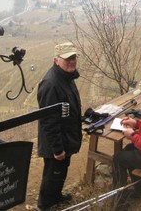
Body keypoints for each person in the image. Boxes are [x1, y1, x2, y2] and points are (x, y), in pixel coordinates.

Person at [37, 42, 82, 211]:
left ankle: (56, 197)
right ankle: (45, 205)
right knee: (52, 174)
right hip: (56, 142)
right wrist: (57, 149)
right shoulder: (51, 84)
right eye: (67, 58)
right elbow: (49, 121)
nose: (72, 61)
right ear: (56, 60)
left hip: (66, 137)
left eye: (73, 57)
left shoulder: (67, 77)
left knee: (61, 172)